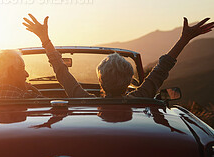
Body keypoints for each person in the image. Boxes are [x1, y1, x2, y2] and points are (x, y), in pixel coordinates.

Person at [23, 14, 214, 98]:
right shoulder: (142, 96)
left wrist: (45, 38)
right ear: (130, 79)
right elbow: (162, 68)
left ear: (100, 80)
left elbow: (61, 71)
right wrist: (184, 39)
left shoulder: (82, 99)